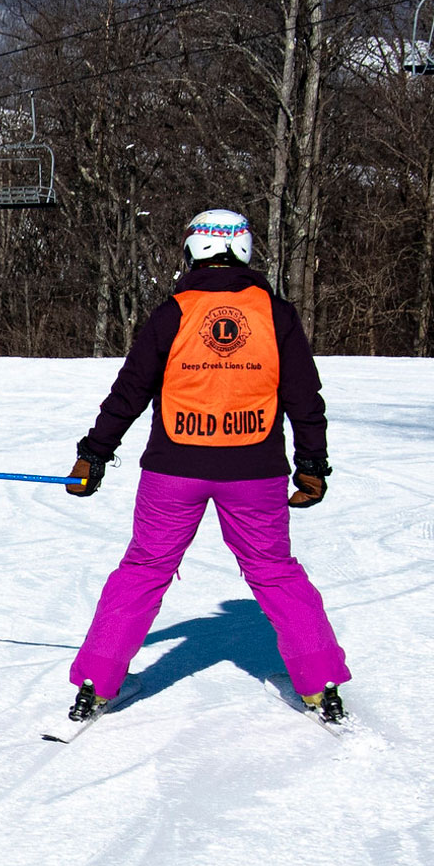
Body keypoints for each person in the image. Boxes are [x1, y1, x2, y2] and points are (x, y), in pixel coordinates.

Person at [63, 208, 350, 723]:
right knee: (275, 571)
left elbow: (130, 391)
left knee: (145, 569)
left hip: (174, 470)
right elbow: (305, 397)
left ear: (193, 250)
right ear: (243, 249)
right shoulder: (275, 314)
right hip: (255, 470)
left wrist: (94, 453)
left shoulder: (173, 312)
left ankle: (97, 682)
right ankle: (319, 683)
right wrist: (311, 464)